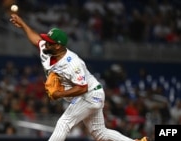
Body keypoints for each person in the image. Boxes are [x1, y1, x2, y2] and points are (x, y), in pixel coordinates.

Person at [10, 13, 149, 141]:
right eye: (46, 40)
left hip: (90, 94)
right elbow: (36, 40)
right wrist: (23, 24)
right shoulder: (47, 50)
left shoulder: (72, 63)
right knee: (99, 133)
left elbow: (83, 88)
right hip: (88, 95)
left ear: (58, 46)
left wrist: (60, 93)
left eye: (49, 42)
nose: (45, 43)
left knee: (64, 123)